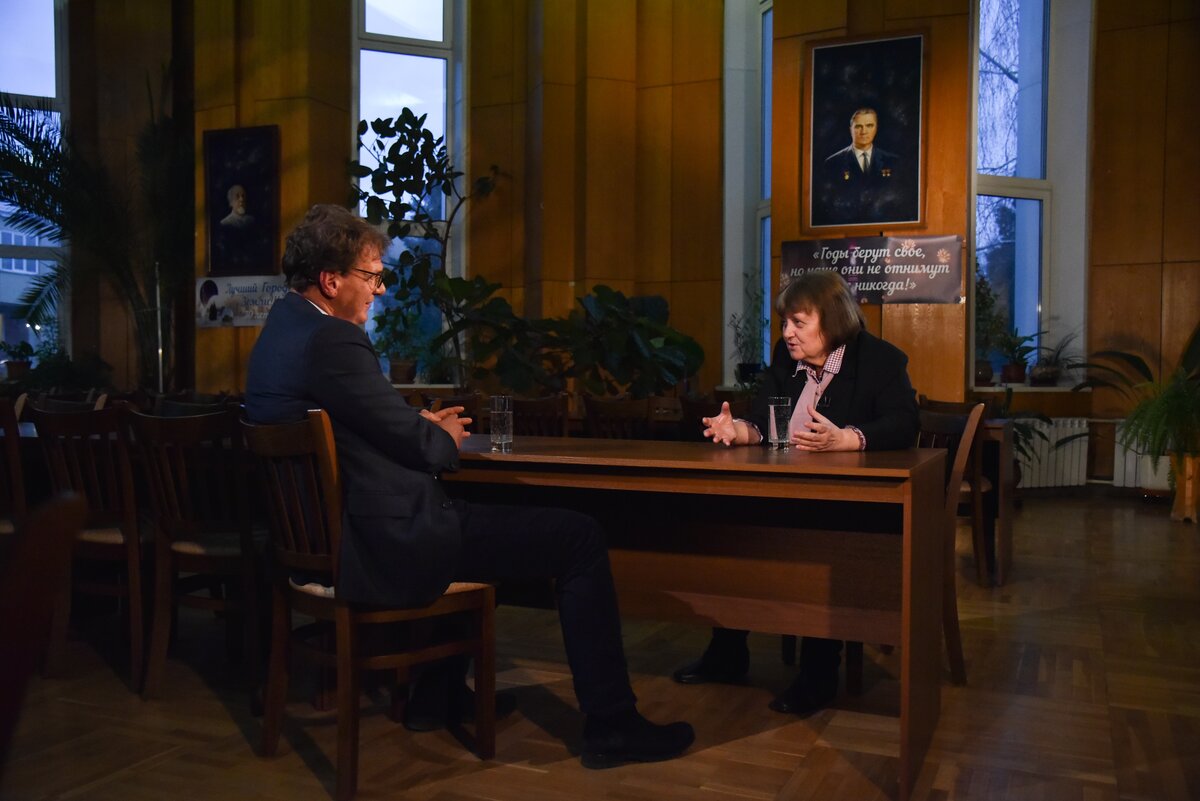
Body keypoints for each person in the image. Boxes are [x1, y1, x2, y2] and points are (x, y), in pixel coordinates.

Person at [245, 204, 693, 769]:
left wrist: (413, 425)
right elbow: (425, 450)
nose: (380, 290)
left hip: (321, 543)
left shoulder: (280, 332)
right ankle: (613, 725)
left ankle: (437, 695)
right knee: (579, 537)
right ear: (332, 281)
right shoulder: (333, 340)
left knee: (482, 511)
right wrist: (441, 436)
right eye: (372, 276)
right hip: (378, 544)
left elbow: (354, 423)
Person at [672, 270, 918, 716]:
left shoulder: (880, 360)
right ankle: (727, 652)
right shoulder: (785, 360)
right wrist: (740, 430)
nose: (787, 332)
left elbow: (904, 423)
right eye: (785, 322)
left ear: (833, 320)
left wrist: (849, 438)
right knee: (729, 531)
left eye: (799, 323)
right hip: (785, 493)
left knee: (820, 543)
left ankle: (819, 672)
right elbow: (765, 422)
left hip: (852, 506)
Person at [814, 108, 916, 226]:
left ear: (876, 128)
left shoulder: (893, 162)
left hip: (884, 224)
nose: (864, 131)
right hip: (845, 225)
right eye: (858, 126)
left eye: (869, 126)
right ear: (850, 129)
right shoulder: (833, 163)